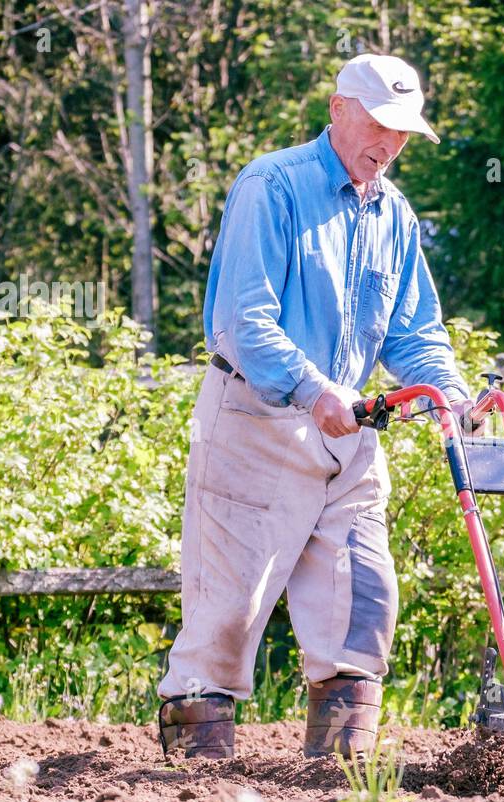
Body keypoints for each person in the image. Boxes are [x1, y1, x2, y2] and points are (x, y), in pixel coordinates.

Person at [156, 54, 476, 760]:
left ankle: (340, 774)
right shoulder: (272, 187)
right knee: (226, 616)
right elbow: (245, 322)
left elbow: (414, 331)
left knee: (361, 605)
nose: (390, 145)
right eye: (380, 125)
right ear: (338, 110)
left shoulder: (394, 213)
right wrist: (311, 388)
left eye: (403, 133)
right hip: (255, 424)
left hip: (351, 434)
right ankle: (191, 789)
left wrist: (451, 392)